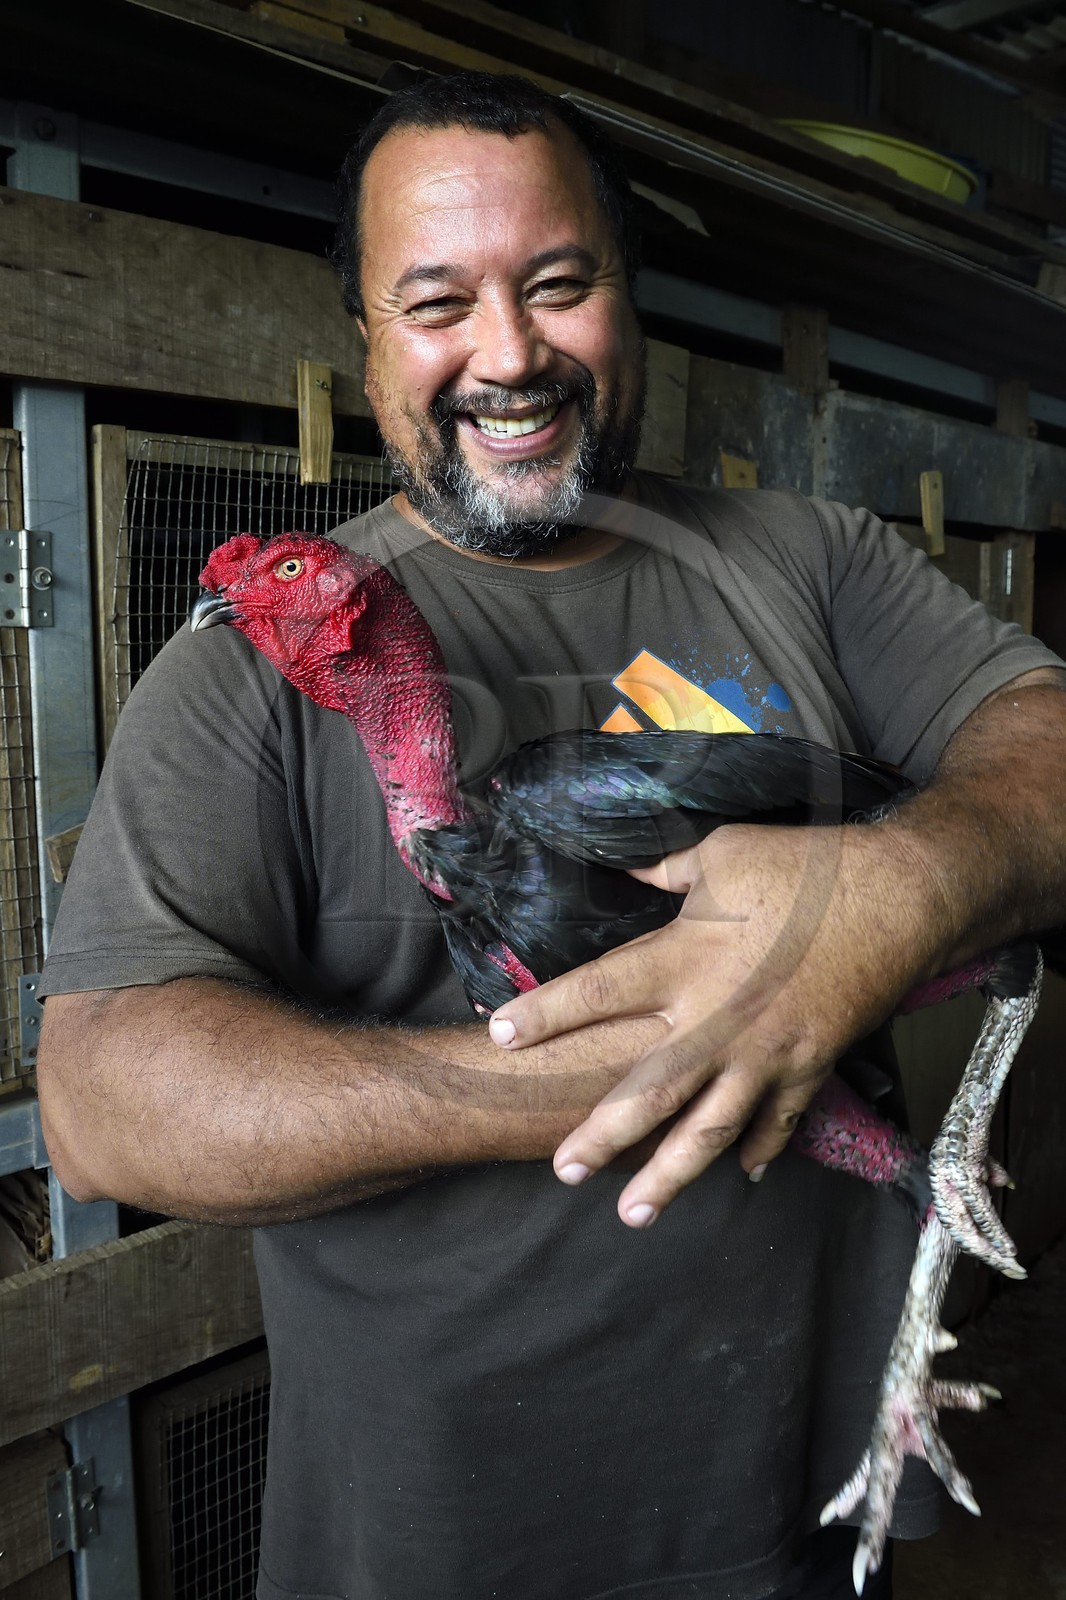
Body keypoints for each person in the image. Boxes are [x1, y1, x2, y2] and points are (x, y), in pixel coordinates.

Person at [36, 71, 1066, 1600]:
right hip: (445, 1532)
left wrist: (894, 889)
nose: (508, 353)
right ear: (368, 342)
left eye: (559, 284)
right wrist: (643, 1060)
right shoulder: (250, 671)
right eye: (436, 301)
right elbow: (103, 1103)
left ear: (627, 306)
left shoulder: (813, 556)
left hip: (809, 1484)